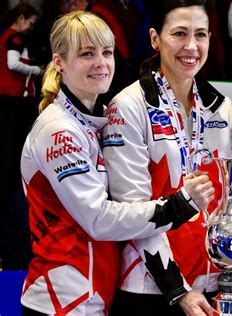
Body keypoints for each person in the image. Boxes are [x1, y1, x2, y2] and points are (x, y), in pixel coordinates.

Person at [20, 11, 209, 315]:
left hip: (95, 296)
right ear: (59, 62)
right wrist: (177, 206)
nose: (101, 63)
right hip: (61, 301)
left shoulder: (95, 119)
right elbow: (98, 219)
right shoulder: (58, 130)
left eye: (107, 53)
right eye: (86, 53)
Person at [101, 1, 232, 315]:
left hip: (208, 283)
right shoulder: (128, 106)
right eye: (179, 34)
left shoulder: (221, 107)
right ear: (155, 39)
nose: (191, 46)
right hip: (150, 288)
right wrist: (177, 290)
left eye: (201, 34)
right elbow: (132, 209)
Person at [0, 3, 42, 97]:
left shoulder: (5, 35)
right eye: (31, 23)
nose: (31, 28)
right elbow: (13, 64)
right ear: (21, 18)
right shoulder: (15, 38)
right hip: (10, 91)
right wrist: (36, 70)